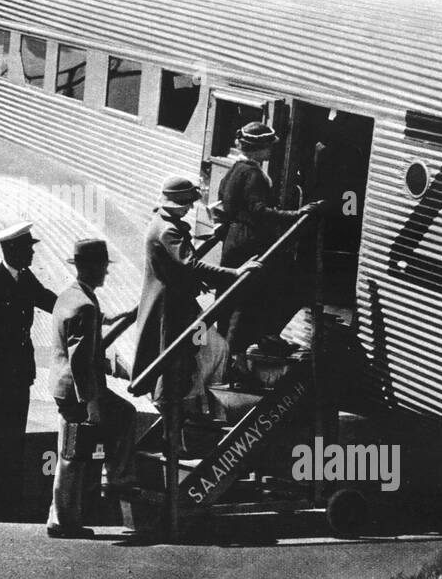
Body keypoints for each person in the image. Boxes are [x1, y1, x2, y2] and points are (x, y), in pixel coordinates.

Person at [131, 175, 254, 413]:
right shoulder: (168, 230)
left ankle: (194, 403)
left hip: (178, 303)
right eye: (187, 204)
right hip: (172, 309)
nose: (189, 209)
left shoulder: (161, 222)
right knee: (178, 362)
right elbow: (191, 264)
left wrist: (196, 281)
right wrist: (236, 272)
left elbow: (180, 267)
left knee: (206, 351)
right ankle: (177, 424)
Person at [47, 238, 137, 538]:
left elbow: (86, 325)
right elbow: (81, 360)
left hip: (64, 388)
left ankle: (62, 516)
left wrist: (115, 318)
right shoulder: (85, 305)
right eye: (103, 267)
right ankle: (67, 518)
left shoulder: (71, 296)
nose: (106, 274)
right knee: (74, 453)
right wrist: (91, 403)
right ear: (93, 267)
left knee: (69, 452)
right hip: (78, 392)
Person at [0, 222, 56, 525]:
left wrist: (81, 308)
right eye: (28, 248)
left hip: (20, 373)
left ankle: (7, 500)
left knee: (14, 436)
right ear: (12, 250)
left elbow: (48, 300)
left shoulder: (24, 279)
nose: (32, 252)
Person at [215, 122, 322, 367]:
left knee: (239, 298)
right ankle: (243, 352)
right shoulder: (253, 174)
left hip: (234, 240)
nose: (272, 151)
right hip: (252, 242)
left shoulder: (235, 169)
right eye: (268, 147)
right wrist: (296, 215)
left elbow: (226, 203)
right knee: (287, 289)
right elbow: (259, 210)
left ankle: (241, 350)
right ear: (258, 148)